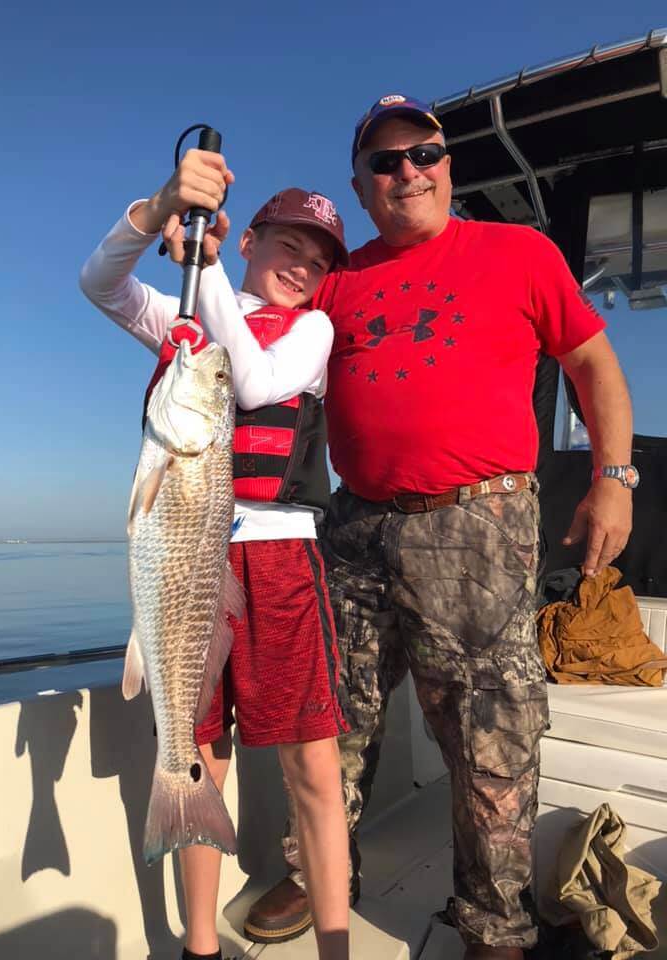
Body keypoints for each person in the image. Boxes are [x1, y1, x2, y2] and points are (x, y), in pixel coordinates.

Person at [246, 95, 635, 960]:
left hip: (480, 522)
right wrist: (181, 242)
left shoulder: (519, 252)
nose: (407, 172)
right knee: (330, 711)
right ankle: (318, 870)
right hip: (354, 525)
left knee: (490, 728)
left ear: (448, 165)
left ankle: (496, 919)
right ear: (360, 184)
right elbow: (250, 333)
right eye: (384, 163)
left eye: (423, 154)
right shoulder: (338, 283)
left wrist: (612, 478)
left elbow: (593, 362)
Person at [79, 153, 351, 960]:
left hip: (279, 563)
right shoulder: (191, 314)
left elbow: (260, 383)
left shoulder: (311, 330)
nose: (302, 267)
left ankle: (334, 948)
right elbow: (101, 283)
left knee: (313, 764)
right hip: (189, 559)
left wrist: (200, 278)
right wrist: (160, 206)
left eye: (319, 258)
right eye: (287, 247)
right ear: (249, 243)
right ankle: (200, 946)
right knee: (199, 756)